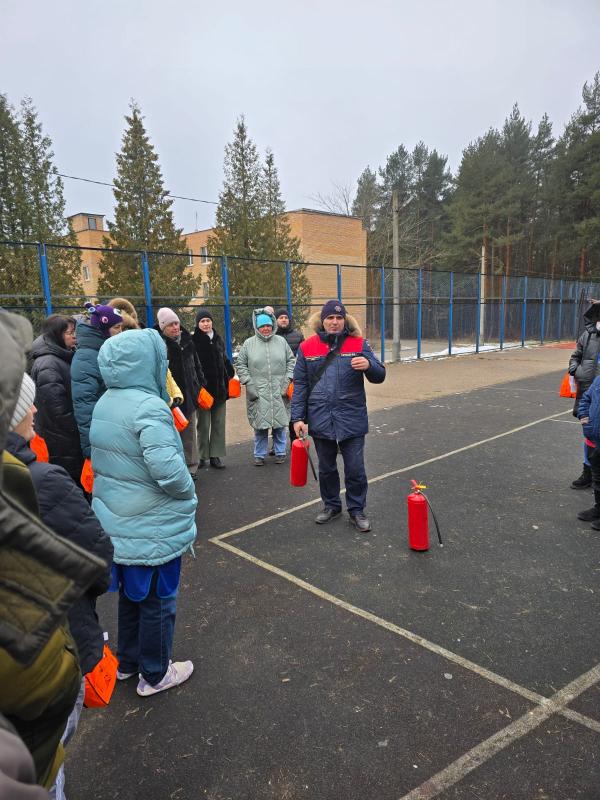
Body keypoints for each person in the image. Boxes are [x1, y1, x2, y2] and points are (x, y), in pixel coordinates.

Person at [0, 310, 106, 793]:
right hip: (37, 696)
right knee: (48, 772)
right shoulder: (38, 482)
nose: (36, 410)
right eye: (28, 407)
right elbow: (94, 554)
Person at [90, 328, 197, 696]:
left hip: (118, 522)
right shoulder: (149, 406)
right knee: (158, 600)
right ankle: (155, 673)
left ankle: (129, 661)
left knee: (132, 597)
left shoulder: (106, 401)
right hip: (151, 523)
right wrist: (188, 491)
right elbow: (169, 471)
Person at [291, 300, 386, 532]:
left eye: (338, 318)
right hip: (320, 416)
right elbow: (300, 384)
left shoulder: (358, 343)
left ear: (344, 320)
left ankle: (356, 510)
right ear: (322, 321)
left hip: (351, 416)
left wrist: (369, 366)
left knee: (355, 468)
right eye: (330, 318)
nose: (334, 322)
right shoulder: (307, 347)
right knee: (327, 468)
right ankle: (331, 505)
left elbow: (380, 374)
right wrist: (297, 418)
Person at [236, 309, 295, 465]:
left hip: (279, 389)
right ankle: (259, 454)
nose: (266, 328)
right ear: (257, 326)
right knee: (260, 426)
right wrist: (248, 382)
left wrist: (288, 379)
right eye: (263, 326)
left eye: (269, 325)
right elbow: (240, 364)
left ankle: (280, 451)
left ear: (273, 325)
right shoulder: (249, 344)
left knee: (280, 424)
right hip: (258, 390)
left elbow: (291, 361)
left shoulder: (281, 342)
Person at [29, 314, 83, 484]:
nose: (74, 336)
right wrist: (81, 427)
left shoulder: (64, 356)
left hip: (67, 440)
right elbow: (58, 411)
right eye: (69, 333)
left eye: (75, 332)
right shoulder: (48, 364)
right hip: (61, 442)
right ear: (56, 335)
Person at [154, 308, 205, 478]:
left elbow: (197, 366)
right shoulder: (158, 345)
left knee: (189, 434)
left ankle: (191, 467)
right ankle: (177, 468)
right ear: (163, 327)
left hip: (189, 396)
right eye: (170, 325)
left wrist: (199, 386)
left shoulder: (187, 341)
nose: (175, 327)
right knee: (171, 436)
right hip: (171, 399)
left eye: (176, 323)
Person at [71, 303, 123, 468]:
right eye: (116, 327)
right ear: (103, 328)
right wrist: (92, 452)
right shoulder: (86, 358)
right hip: (102, 443)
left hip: (113, 432)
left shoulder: (106, 351)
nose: (121, 332)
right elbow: (84, 407)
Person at [192, 308, 234, 469]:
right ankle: (202, 456)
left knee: (218, 423)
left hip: (220, 390)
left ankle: (215, 455)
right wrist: (197, 386)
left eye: (208, 320)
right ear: (198, 324)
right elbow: (192, 365)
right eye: (202, 321)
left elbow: (224, 359)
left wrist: (230, 374)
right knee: (202, 425)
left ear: (212, 322)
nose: (205, 323)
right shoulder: (193, 341)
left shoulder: (218, 339)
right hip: (203, 391)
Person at [569, 300, 600, 489]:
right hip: (587, 390)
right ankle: (588, 472)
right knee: (588, 432)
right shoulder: (587, 335)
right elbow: (576, 355)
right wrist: (575, 370)